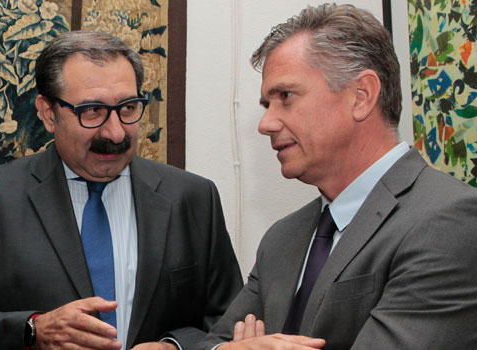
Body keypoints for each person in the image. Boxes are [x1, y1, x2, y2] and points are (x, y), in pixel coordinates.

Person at [0, 30, 243, 350]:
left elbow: (233, 323)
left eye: (128, 108)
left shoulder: (192, 198)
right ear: (49, 114)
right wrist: (33, 330)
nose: (116, 132)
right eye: (92, 111)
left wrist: (174, 347)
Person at [194, 4, 477, 350]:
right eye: (267, 104)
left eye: (285, 97)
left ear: (361, 96)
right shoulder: (283, 238)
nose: (265, 124)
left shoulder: (448, 221)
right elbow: (214, 343)